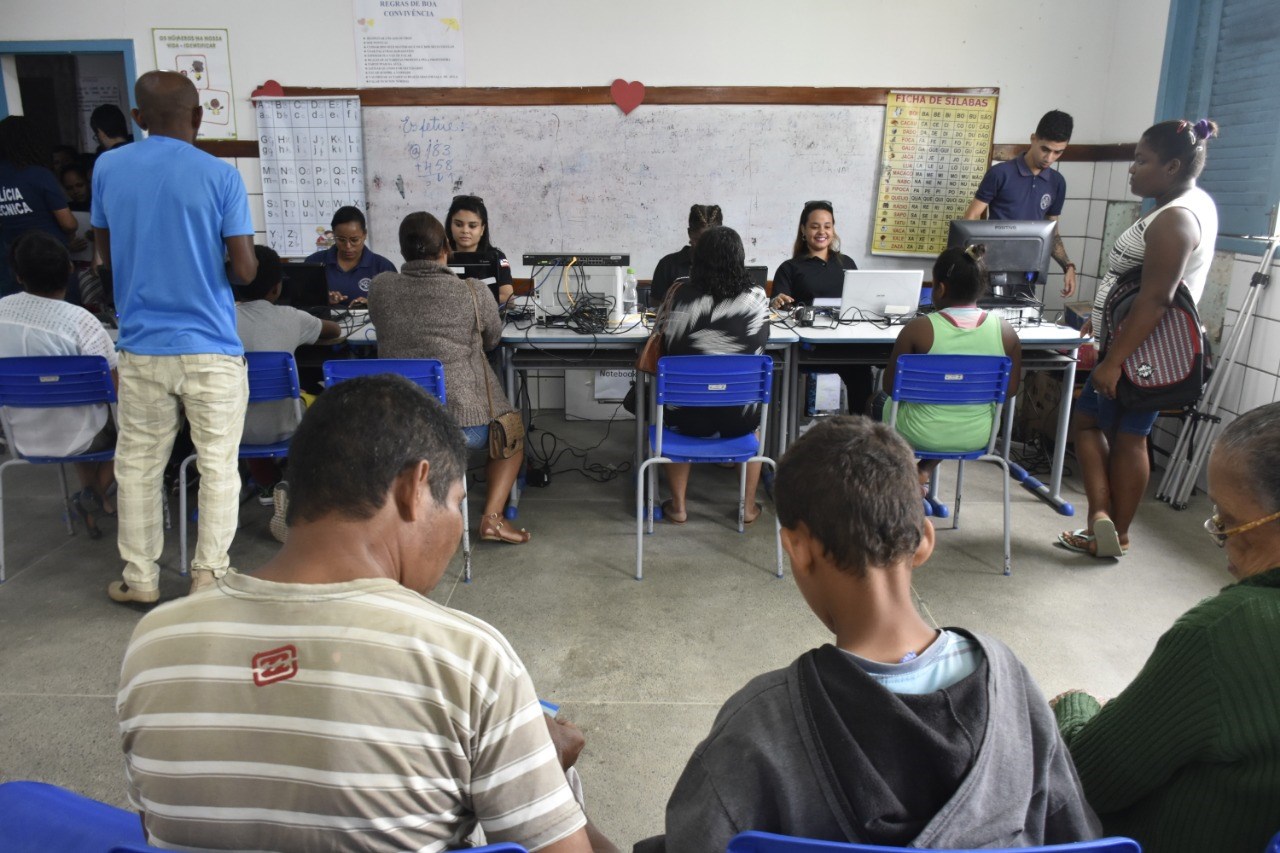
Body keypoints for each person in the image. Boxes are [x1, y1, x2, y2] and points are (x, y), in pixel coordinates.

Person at [117, 375, 616, 853]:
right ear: (414, 488)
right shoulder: (468, 661)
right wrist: (545, 773)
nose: (458, 522)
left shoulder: (155, 642)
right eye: (459, 501)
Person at [641, 416, 1099, 851]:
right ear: (924, 540)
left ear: (797, 549)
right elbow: (1074, 833)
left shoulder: (760, 724)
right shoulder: (1012, 687)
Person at [1052, 400, 1280, 853]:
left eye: (1230, 522)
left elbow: (1087, 780)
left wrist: (1075, 705)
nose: (1220, 539)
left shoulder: (1227, 632)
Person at [91, 70, 258, 604]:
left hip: (140, 344)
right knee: (216, 465)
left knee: (138, 464)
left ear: (138, 119)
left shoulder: (108, 167)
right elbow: (247, 271)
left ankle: (140, 579)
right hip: (210, 346)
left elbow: (104, 255)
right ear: (198, 118)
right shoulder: (220, 176)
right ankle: (208, 576)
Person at [1058, 119, 1219, 559]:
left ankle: (1102, 520)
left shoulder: (1176, 219)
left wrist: (1113, 361)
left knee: (1091, 424)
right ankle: (1113, 531)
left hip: (1137, 351)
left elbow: (1156, 298)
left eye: (1142, 161)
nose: (1132, 169)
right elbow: (1134, 285)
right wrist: (1101, 316)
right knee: (1130, 435)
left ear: (1171, 166)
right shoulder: (1183, 203)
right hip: (1138, 344)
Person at [368, 211, 531, 545]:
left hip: (397, 420)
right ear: (446, 246)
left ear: (402, 251)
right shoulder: (471, 292)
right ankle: (492, 519)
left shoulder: (380, 287)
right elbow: (493, 340)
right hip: (462, 425)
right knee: (511, 432)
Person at [0, 231, 116, 538]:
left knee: (78, 408)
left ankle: (93, 495)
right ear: (69, 268)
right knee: (147, 426)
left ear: (18, 275)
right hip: (83, 436)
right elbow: (116, 388)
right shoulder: (80, 321)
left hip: (21, 437)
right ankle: (93, 497)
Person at [879, 244, 1022, 485]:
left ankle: (891, 485)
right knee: (953, 409)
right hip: (977, 436)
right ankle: (921, 472)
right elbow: (1010, 391)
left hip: (916, 433)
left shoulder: (918, 329)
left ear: (940, 288)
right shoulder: (1006, 332)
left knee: (875, 402)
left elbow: (891, 387)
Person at [656, 225, 769, 525]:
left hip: (684, 417)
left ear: (697, 258)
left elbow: (660, 337)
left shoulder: (678, 295)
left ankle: (678, 506)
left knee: (672, 415)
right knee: (756, 426)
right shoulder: (757, 297)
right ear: (740, 259)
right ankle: (747, 507)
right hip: (739, 419)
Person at [234, 244, 342, 503]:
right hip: (284, 428)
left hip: (228, 431)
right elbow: (334, 330)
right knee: (320, 404)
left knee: (247, 403)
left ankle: (267, 483)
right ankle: (300, 482)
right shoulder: (291, 318)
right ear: (276, 287)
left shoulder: (218, 319)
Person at [770, 200, 871, 413]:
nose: (821, 231)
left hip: (847, 346)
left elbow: (860, 304)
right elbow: (778, 309)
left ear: (833, 229)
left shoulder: (847, 264)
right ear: (803, 230)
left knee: (862, 374)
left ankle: (859, 433)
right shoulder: (790, 268)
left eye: (827, 226)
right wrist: (778, 301)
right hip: (808, 349)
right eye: (815, 226)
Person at [964, 109, 1077, 299]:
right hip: (990, 268)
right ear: (1033, 139)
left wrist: (1068, 266)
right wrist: (971, 263)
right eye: (1045, 149)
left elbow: (1052, 230)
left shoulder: (1057, 182)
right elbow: (972, 217)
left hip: (1028, 270)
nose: (1050, 158)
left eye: (1058, 152)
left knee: (1020, 324)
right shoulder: (1000, 174)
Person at [0, 116, 87, 298]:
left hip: (16, 266)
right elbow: (68, 223)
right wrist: (70, 239)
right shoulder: (39, 175)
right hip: (51, 263)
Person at [304, 205, 395, 307]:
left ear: (364, 235)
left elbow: (396, 306)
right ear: (333, 235)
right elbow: (300, 302)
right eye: (341, 240)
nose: (348, 246)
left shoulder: (383, 267)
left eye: (354, 240)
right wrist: (323, 299)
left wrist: (372, 305)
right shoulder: (314, 262)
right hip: (325, 322)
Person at [446, 193, 515, 305]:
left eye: (472, 226)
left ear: (482, 229)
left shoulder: (496, 257)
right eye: (458, 225)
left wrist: (467, 299)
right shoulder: (440, 256)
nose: (465, 230)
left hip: (485, 319)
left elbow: (508, 298)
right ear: (450, 226)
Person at [649, 203, 723, 306]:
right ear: (689, 233)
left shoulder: (725, 264)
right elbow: (655, 304)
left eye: (710, 241)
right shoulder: (668, 265)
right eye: (699, 240)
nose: (705, 246)